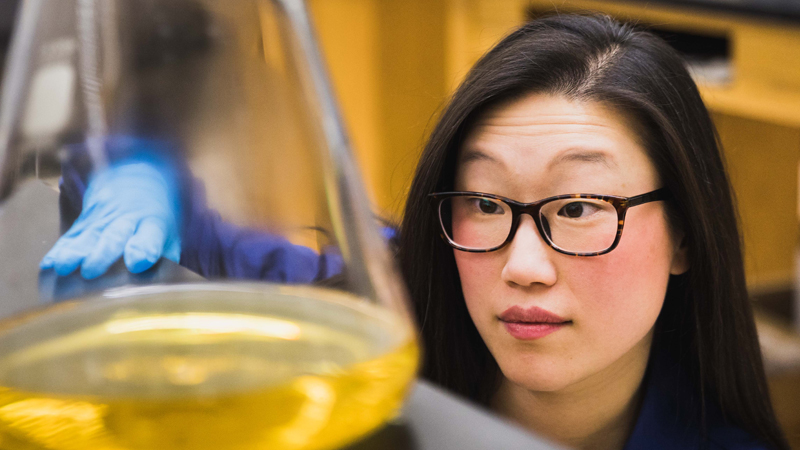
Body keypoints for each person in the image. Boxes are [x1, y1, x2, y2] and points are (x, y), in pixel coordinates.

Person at [42, 14, 789, 450]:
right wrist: (137, 170)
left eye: (578, 207)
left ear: (687, 234)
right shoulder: (372, 331)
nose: (523, 266)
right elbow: (189, 229)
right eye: (487, 203)